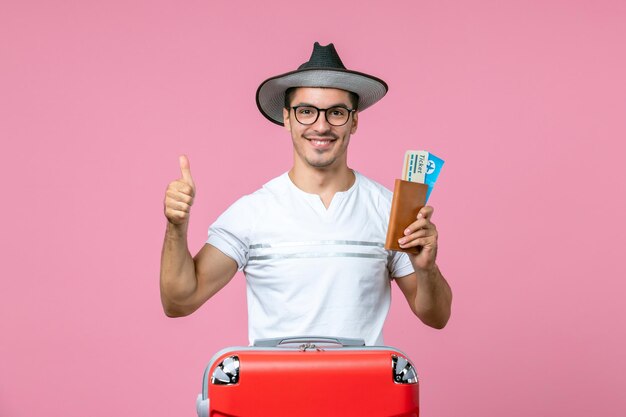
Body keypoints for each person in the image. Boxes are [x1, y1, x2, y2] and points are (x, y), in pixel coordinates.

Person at [160, 42, 452, 346]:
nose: (321, 125)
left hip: (365, 391)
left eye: (336, 112)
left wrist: (427, 269)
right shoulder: (252, 212)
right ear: (287, 118)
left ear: (354, 121)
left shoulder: (390, 210)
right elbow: (180, 301)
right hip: (276, 390)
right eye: (307, 112)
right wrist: (176, 228)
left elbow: (437, 316)